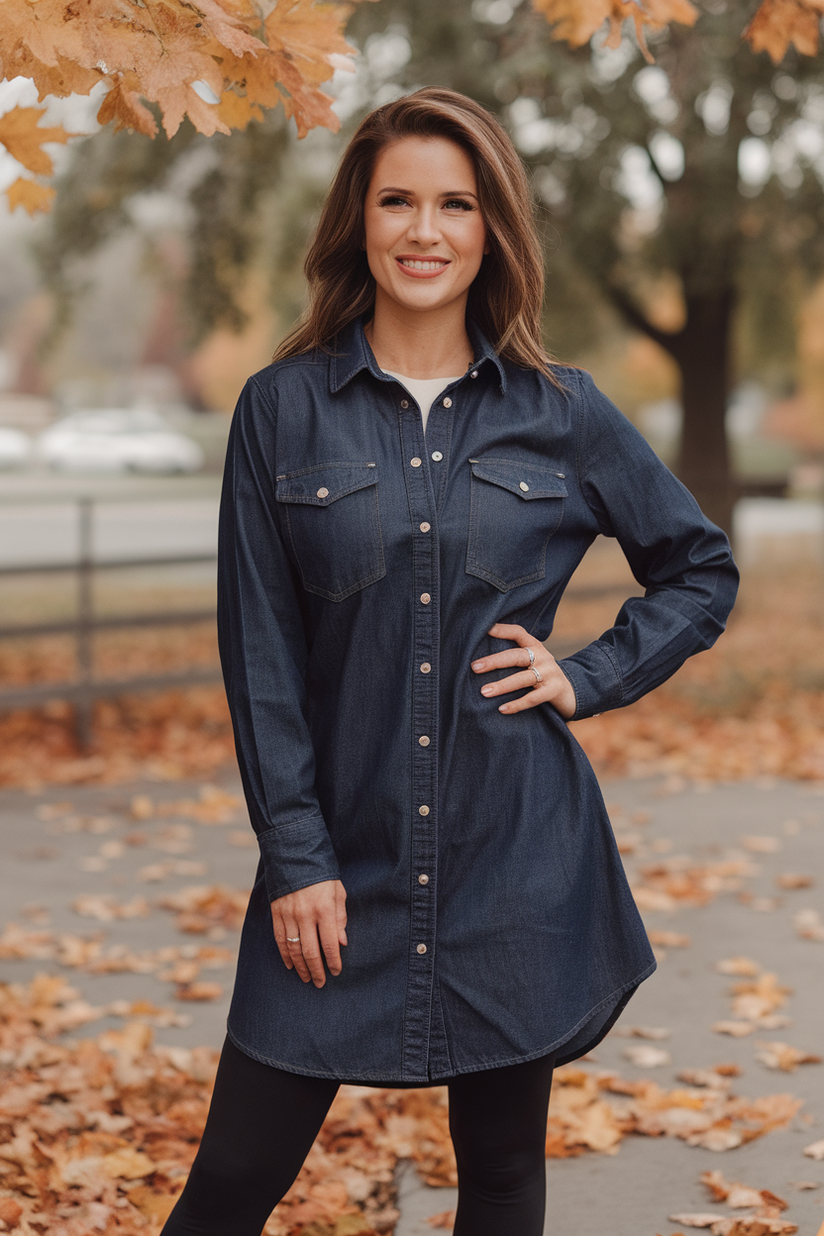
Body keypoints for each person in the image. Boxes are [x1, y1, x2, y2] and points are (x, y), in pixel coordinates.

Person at [162, 86, 738, 1236]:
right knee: (230, 1181)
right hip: (340, 859)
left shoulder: (561, 413)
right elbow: (260, 656)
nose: (424, 230)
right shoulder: (281, 412)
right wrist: (296, 856)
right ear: (357, 223)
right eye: (397, 201)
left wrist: (589, 673)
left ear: (490, 230)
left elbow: (698, 569)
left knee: (504, 1182)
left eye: (454, 204)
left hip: (515, 854)